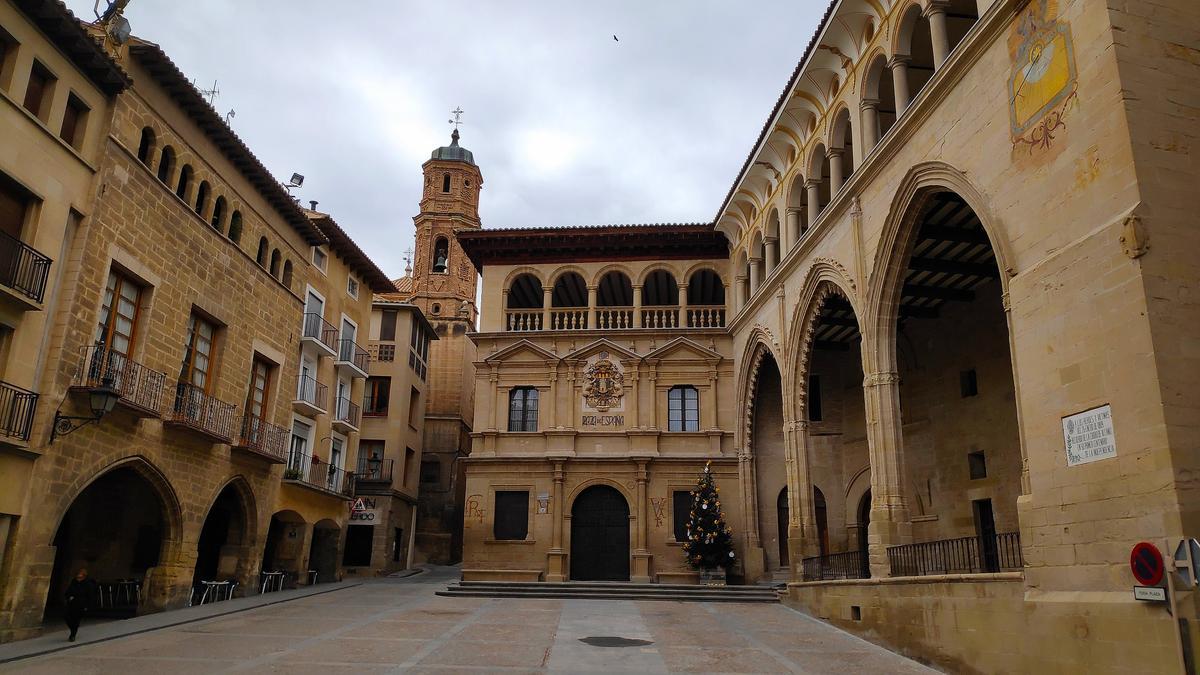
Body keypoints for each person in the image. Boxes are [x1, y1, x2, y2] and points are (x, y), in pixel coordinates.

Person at [63, 568, 98, 642]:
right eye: (77, 577)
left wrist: (87, 606)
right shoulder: (74, 582)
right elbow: (68, 591)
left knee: (76, 620)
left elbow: (90, 596)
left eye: (80, 577)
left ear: (84, 577)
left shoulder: (88, 584)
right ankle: (73, 629)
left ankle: (72, 635)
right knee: (66, 617)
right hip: (72, 604)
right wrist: (69, 597)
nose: (78, 579)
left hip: (81, 605)